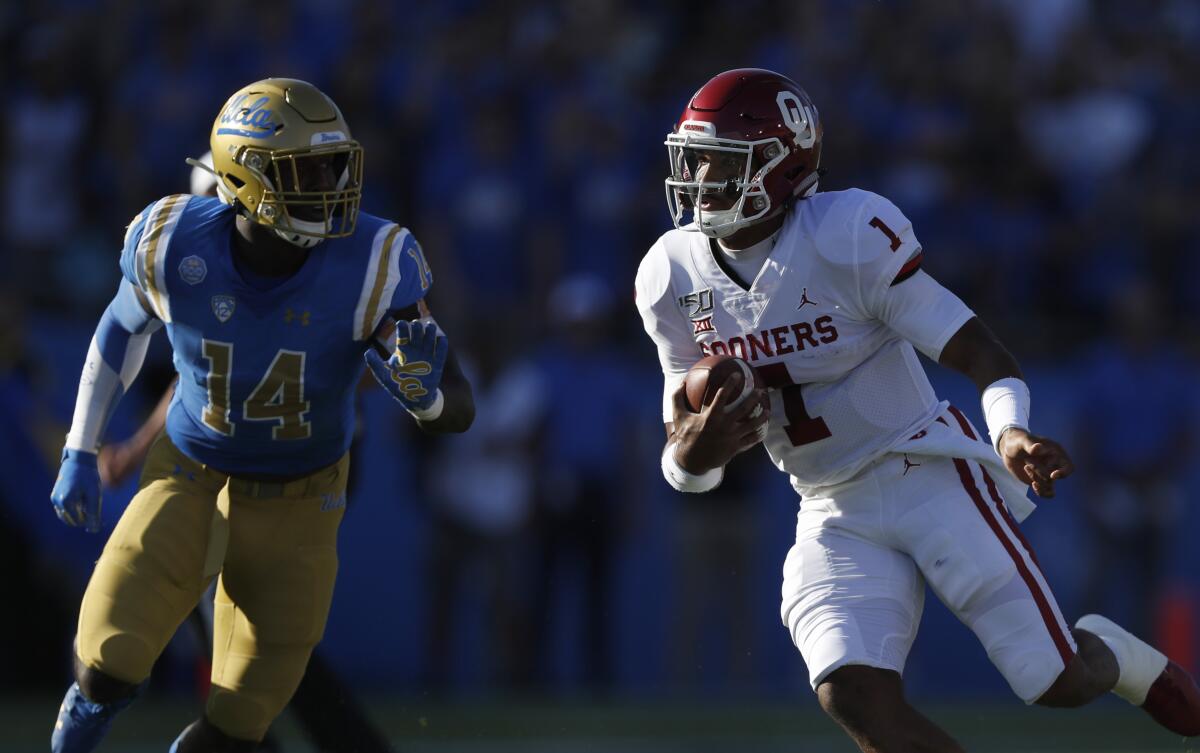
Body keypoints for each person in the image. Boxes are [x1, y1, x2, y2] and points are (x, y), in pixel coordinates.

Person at [634, 68, 1200, 751]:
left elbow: (981, 353)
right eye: (691, 157)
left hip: (925, 468)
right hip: (829, 503)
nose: (697, 176)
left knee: (1058, 679)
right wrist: (695, 455)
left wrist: (1009, 430)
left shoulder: (845, 233)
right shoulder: (670, 273)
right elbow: (685, 463)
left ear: (784, 166)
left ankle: (1123, 656)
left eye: (721, 160)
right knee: (852, 694)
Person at [49, 78, 474, 753]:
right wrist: (82, 446)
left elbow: (458, 402)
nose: (330, 183)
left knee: (244, 716)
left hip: (303, 496)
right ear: (245, 176)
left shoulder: (373, 259)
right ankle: (88, 710)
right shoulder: (176, 240)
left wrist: (422, 395)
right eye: (306, 168)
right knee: (111, 649)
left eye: (334, 165)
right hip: (189, 470)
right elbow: (120, 330)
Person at [93, 152, 398, 753]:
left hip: (301, 468)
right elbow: (203, 379)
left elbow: (367, 347)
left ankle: (284, 740)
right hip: (245, 460)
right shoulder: (218, 252)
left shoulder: (314, 254)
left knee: (254, 621)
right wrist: (132, 447)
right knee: (237, 621)